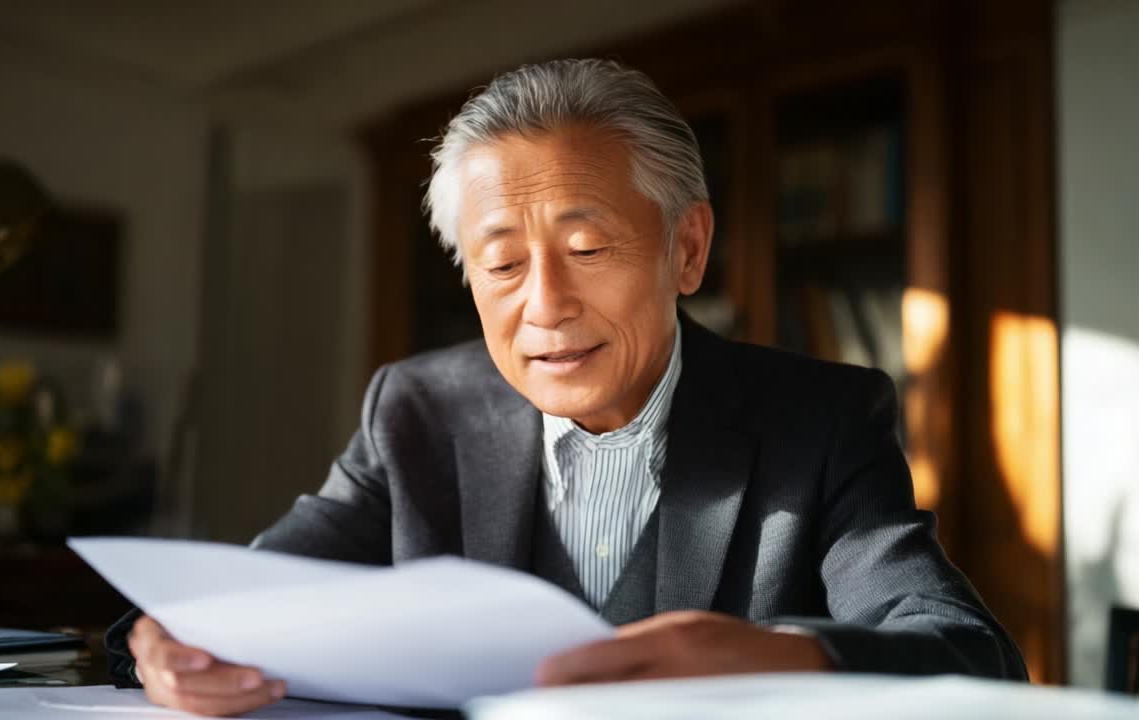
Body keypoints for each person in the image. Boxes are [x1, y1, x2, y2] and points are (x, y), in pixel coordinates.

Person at [107, 58, 1026, 716]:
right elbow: (246, 599)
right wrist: (169, 641)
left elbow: (973, 656)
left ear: (688, 249)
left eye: (587, 249)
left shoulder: (818, 422)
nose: (545, 305)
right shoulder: (418, 411)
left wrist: (783, 656)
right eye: (503, 264)